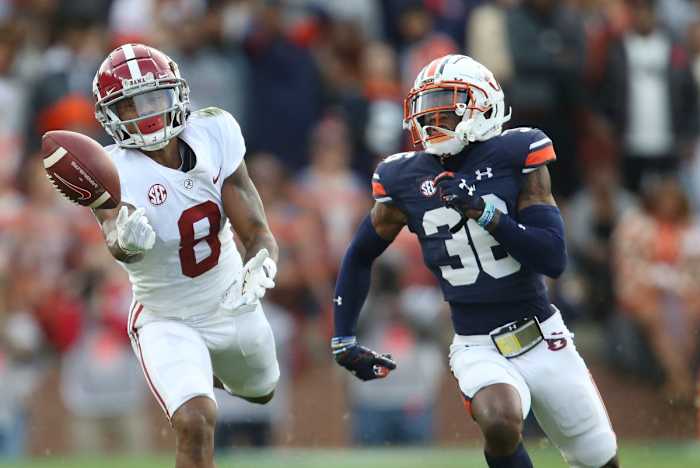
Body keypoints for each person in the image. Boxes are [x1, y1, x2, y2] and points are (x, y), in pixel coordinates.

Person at [331, 54, 619, 468]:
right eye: (426, 109)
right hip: (476, 344)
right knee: (500, 421)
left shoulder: (516, 153)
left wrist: (485, 213)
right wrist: (343, 337)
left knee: (601, 461)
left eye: (445, 106)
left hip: (542, 335)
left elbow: (552, 258)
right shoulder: (404, 177)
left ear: (484, 105)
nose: (432, 120)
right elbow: (359, 255)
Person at [91, 44, 280, 468]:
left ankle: (207, 366)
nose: (146, 113)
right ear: (111, 116)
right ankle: (187, 365)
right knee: (196, 421)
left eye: (153, 98)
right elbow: (114, 237)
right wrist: (125, 237)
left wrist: (263, 261)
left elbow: (255, 229)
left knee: (262, 389)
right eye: (130, 105)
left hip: (230, 298)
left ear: (176, 94)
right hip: (166, 316)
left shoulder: (214, 131)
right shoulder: (109, 167)